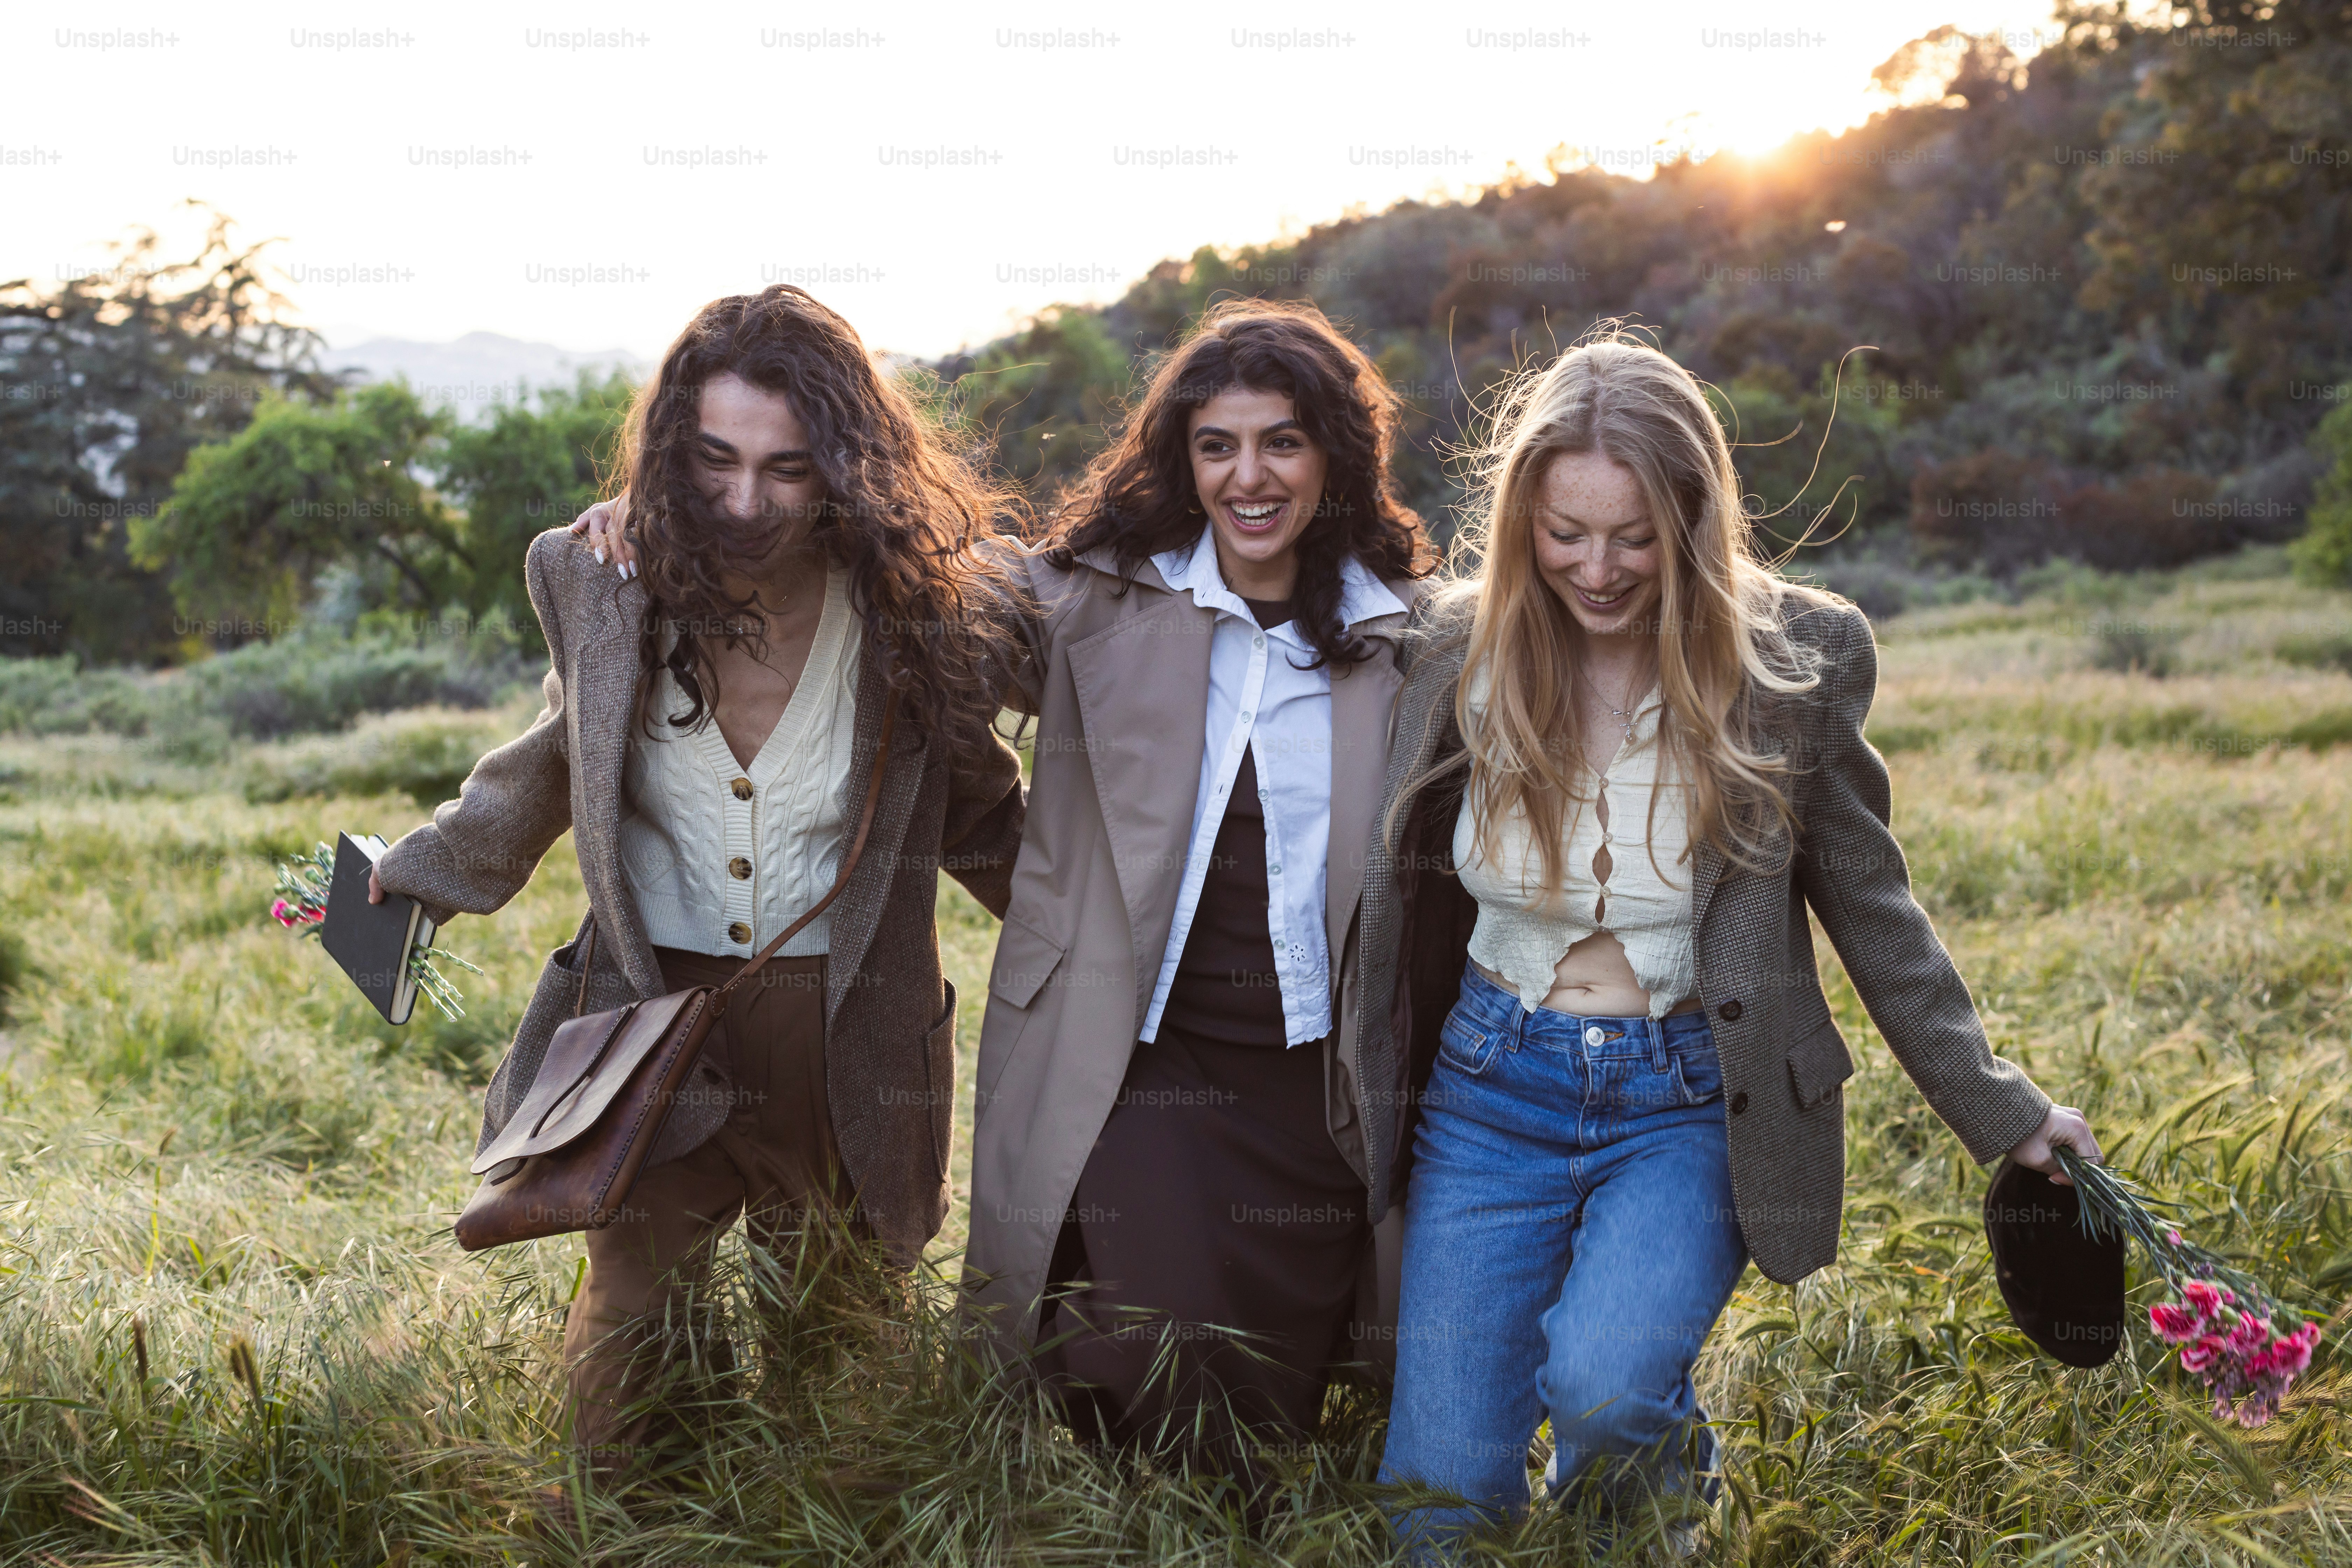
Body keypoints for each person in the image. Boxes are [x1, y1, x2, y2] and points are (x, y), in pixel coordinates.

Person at [1353, 334, 2101, 1548]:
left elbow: (1872, 902)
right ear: (1521, 521)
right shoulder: (1452, 648)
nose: (1596, 569)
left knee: (1605, 1396)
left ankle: (1658, 1509)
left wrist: (2001, 1108)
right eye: (1564, 533)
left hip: (1692, 1094)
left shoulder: (1795, 657)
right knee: (1434, 1506)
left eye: (1635, 535)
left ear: (1695, 520)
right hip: (1492, 1087)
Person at [375, 285, 1026, 1478]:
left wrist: (1114, 941)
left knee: (841, 1373)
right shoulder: (597, 577)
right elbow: (560, 755)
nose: (744, 502)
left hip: (854, 1033)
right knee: (626, 1359)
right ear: (673, 450)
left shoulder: (929, 601)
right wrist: (418, 877)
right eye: (714, 461)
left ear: (848, 462)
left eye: (787, 469)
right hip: (651, 1018)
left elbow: (989, 790)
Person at [962, 299, 1434, 1490]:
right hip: (1152, 1058)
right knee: (1145, 1355)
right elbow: (902, 585)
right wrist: (653, 521)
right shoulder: (1090, 605)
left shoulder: (1415, 637)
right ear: (1182, 462)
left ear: (1336, 454)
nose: (1249, 476)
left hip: (1322, 1072)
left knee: (1297, 1381)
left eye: (1281, 441)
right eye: (1216, 447)